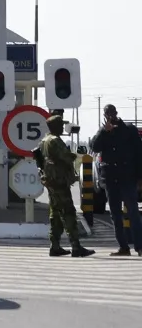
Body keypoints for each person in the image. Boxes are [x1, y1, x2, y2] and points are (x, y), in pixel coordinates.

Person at [36, 116, 94, 258]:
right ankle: (76, 246)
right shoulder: (55, 140)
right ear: (55, 126)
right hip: (59, 182)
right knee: (68, 213)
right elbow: (66, 157)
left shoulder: (44, 141)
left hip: (50, 181)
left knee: (55, 214)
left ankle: (55, 246)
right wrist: (74, 155)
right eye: (60, 125)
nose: (62, 128)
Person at [90, 104, 142, 256]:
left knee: (133, 212)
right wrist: (104, 131)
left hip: (127, 177)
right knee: (115, 214)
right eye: (107, 114)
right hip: (110, 178)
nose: (110, 116)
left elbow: (139, 154)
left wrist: (140, 177)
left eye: (111, 113)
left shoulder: (129, 130)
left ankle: (139, 246)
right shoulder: (103, 131)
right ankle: (123, 247)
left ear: (116, 113)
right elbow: (94, 147)